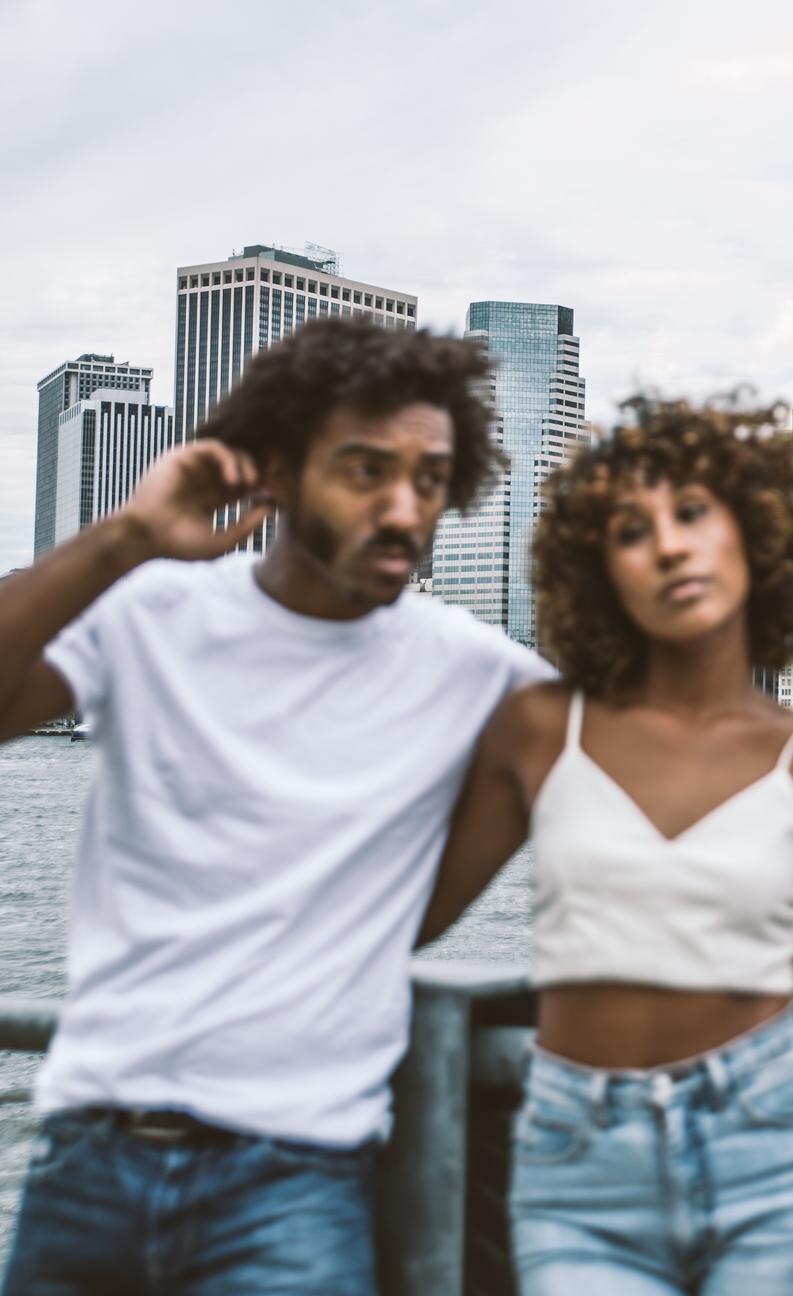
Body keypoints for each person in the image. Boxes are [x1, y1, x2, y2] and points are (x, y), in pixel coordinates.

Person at [0, 317, 553, 1294]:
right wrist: (127, 537)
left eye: (430, 479)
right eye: (365, 470)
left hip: (298, 1177)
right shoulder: (150, 610)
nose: (404, 509)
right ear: (280, 472)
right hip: (87, 1153)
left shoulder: (488, 678)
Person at [418, 397, 793, 1296]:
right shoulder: (540, 727)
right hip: (577, 1159)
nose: (671, 548)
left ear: (756, 536)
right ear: (600, 573)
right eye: (632, 533)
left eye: (693, 515)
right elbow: (413, 912)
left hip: (778, 1146)